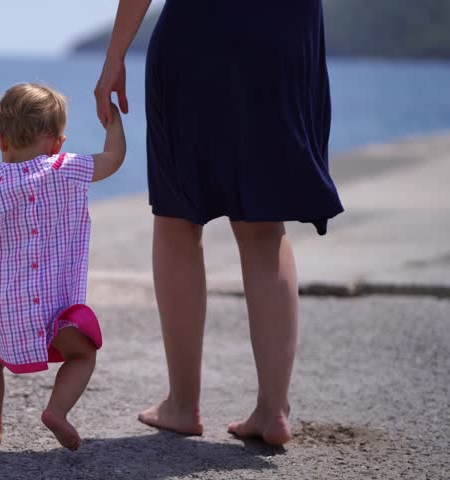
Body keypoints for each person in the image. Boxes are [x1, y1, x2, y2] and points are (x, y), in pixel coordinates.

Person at [94, 0, 344, 446]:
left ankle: (183, 403)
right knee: (265, 226)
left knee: (177, 218)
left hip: (199, 31)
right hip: (286, 35)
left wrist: (115, 56)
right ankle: (273, 410)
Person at [0, 83, 126, 450]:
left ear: (1, 140)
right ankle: (56, 410)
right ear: (57, 142)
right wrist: (113, 120)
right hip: (50, 307)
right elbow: (113, 157)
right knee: (82, 354)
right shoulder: (68, 168)